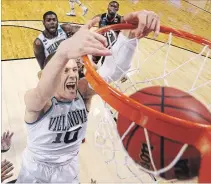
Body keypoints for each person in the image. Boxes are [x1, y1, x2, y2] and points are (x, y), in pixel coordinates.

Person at [16, 10, 160, 183]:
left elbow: (110, 73)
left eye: (75, 69)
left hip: (69, 169)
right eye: (65, 70)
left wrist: (129, 36)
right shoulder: (38, 102)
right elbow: (41, 93)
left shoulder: (81, 93)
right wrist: (63, 52)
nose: (73, 74)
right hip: (36, 172)